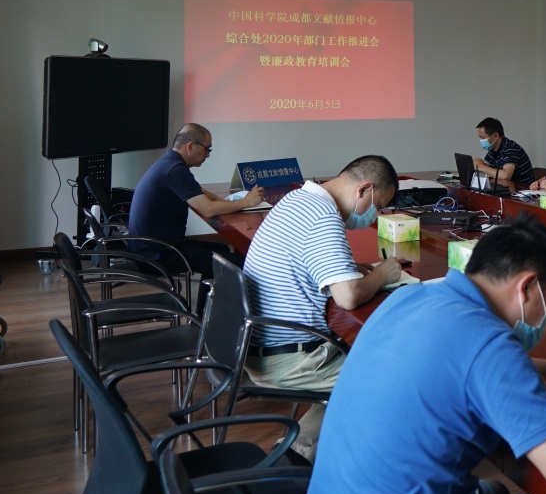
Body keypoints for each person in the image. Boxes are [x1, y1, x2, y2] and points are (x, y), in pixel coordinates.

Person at [302, 215, 546, 494]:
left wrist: (524, 366)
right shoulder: (490, 345)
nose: (545, 322)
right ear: (526, 287)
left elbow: (445, 359)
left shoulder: (407, 297)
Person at [242, 154, 406, 460]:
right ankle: (320, 463)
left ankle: (295, 453)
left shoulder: (298, 199)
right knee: (397, 377)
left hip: (259, 344)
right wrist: (382, 274)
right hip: (288, 360)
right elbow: (348, 297)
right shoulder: (323, 217)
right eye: (378, 206)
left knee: (365, 361)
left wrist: (346, 268)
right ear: (364, 190)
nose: (374, 215)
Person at [128, 123, 259, 276]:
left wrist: (228, 202)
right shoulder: (175, 170)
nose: (208, 155)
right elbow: (208, 210)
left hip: (155, 246)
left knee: (223, 250)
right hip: (158, 254)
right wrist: (246, 202)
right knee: (238, 265)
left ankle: (210, 291)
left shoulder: (169, 163)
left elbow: (200, 191)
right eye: (207, 149)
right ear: (190, 146)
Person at [472, 116, 535, 188]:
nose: (481, 141)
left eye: (483, 138)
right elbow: (488, 169)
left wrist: (480, 167)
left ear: (496, 135)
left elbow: (506, 175)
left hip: (524, 191)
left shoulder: (511, 148)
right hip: (506, 189)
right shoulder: (493, 150)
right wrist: (479, 165)